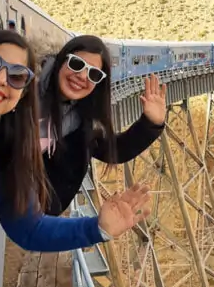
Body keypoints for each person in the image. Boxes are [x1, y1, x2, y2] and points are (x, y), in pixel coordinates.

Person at [0, 30, 150, 250]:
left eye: (16, 76)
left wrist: (98, 228)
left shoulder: (11, 155)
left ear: (22, 93)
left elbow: (31, 230)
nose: (0, 79)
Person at [38, 35, 167, 215]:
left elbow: (116, 150)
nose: (82, 76)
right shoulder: (19, 93)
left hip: (38, 218)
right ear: (61, 59)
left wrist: (151, 123)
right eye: (76, 64)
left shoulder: (83, 121)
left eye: (94, 74)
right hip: (2, 209)